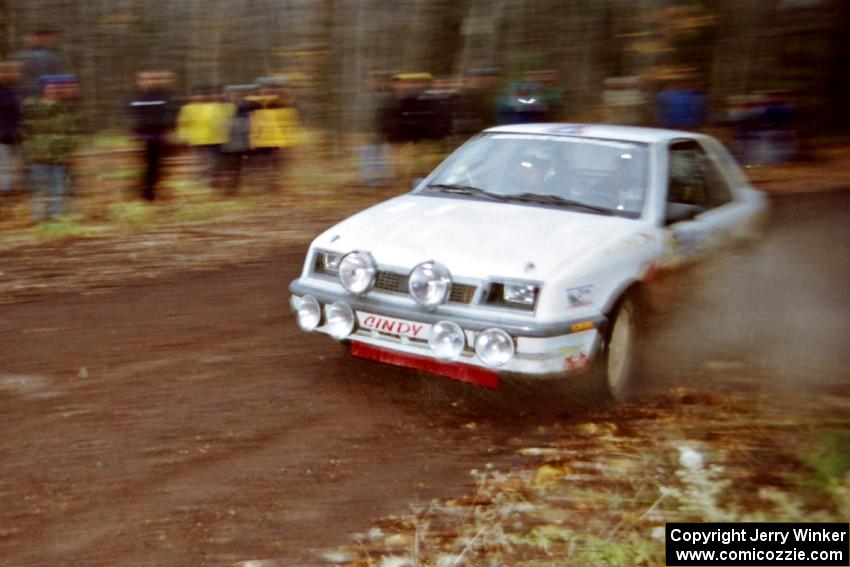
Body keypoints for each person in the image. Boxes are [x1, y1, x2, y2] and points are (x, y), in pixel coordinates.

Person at [22, 74, 79, 223]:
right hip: (39, 156)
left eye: (55, 88)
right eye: (49, 87)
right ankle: (38, 216)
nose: (53, 90)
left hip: (59, 157)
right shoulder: (33, 108)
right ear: (43, 89)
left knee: (58, 188)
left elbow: (72, 132)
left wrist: (67, 150)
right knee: (40, 188)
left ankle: (56, 216)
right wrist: (32, 149)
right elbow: (26, 131)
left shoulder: (64, 109)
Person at [128, 71, 176, 202]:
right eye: (146, 79)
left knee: (157, 167)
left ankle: (148, 191)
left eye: (153, 79)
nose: (151, 82)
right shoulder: (137, 97)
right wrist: (135, 132)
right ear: (139, 81)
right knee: (150, 166)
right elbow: (132, 115)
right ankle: (146, 193)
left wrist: (170, 129)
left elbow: (170, 114)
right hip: (146, 137)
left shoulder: (164, 96)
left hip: (160, 136)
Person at [176, 86, 234, 187]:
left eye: (203, 95)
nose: (200, 97)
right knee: (201, 162)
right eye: (197, 95)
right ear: (192, 97)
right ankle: (202, 181)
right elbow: (183, 124)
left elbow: (228, 117)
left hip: (216, 139)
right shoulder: (187, 108)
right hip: (197, 140)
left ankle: (214, 181)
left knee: (215, 162)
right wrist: (183, 137)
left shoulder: (218, 106)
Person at [12, 29, 70, 101]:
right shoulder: (19, 57)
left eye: (44, 36)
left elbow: (61, 78)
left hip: (50, 97)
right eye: (37, 36)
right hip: (26, 96)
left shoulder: (56, 57)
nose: (40, 39)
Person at [0, 61, 22, 196]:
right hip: (2, 134)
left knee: (10, 163)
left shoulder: (13, 91)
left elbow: (16, 113)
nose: (13, 75)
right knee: (3, 164)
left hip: (12, 133)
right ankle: (5, 191)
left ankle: (9, 188)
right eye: (7, 72)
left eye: (14, 72)